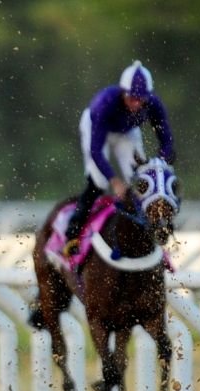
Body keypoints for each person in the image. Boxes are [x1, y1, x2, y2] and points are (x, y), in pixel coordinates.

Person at [63, 60, 174, 256]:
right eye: (132, 98)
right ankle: (72, 234)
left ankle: (150, 232)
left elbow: (166, 140)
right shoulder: (105, 103)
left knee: (139, 180)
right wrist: (115, 182)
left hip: (127, 132)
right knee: (98, 182)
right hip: (98, 131)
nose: (136, 103)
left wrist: (160, 162)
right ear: (123, 92)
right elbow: (96, 151)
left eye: (141, 99)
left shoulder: (154, 104)